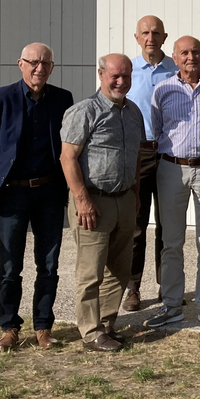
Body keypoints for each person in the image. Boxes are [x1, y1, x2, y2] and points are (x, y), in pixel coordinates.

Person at [0, 42, 74, 351]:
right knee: (9, 265)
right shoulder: (0, 99)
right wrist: (2, 177)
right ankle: (9, 328)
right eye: (33, 62)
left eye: (45, 63)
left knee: (49, 264)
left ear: (52, 68)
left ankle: (43, 326)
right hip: (12, 194)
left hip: (48, 191)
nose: (39, 68)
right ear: (20, 64)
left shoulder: (62, 99)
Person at [59, 54, 146, 353]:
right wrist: (82, 200)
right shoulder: (84, 111)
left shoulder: (134, 112)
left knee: (120, 270)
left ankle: (107, 324)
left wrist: (134, 196)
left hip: (123, 199)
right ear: (101, 74)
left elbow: (135, 156)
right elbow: (67, 158)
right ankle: (90, 331)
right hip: (93, 201)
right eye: (115, 76)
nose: (121, 81)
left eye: (126, 76)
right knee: (91, 272)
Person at [145, 36, 200, 330]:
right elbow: (158, 129)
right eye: (184, 52)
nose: (190, 57)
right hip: (171, 169)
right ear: (175, 56)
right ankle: (171, 305)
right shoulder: (163, 89)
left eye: (195, 51)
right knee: (171, 242)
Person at [123, 15, 177, 313]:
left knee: (168, 225)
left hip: (170, 152)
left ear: (165, 37)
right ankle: (133, 286)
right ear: (137, 37)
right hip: (139, 153)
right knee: (136, 224)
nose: (150, 37)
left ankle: (167, 286)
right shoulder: (128, 71)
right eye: (145, 32)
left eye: (156, 32)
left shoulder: (177, 70)